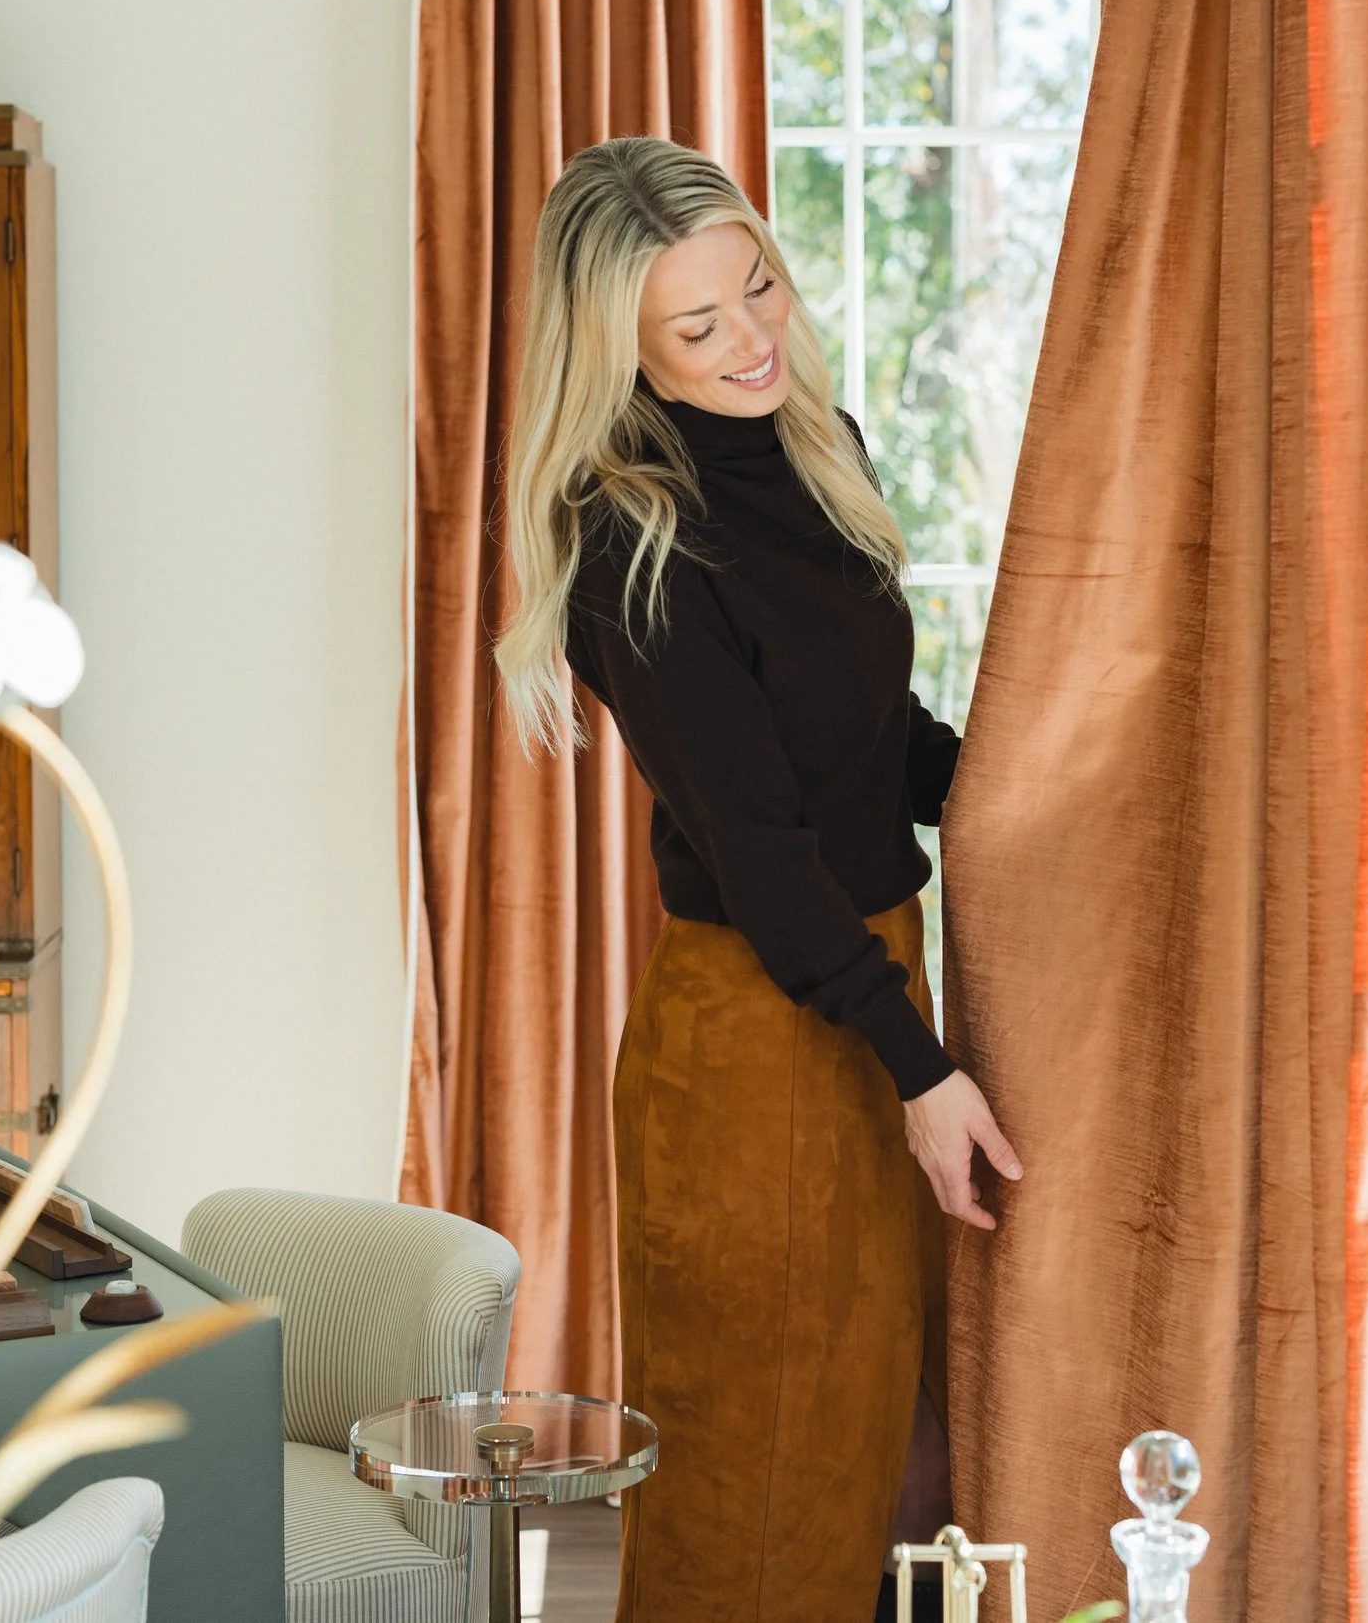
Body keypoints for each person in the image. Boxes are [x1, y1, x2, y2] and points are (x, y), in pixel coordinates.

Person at [495, 134, 1024, 1622]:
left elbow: (879, 749)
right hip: (751, 1045)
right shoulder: (631, 543)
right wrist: (924, 1071)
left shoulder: (819, 442)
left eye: (761, 290)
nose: (752, 341)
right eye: (699, 325)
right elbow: (763, 846)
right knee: (757, 1497)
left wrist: (1045, 799)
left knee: (895, 1458)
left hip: (869, 1000)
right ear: (626, 352)